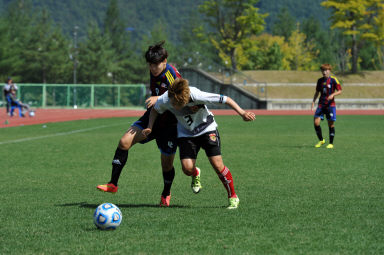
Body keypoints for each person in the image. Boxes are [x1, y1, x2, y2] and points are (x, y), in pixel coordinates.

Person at [97, 41, 201, 207]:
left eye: (156, 64)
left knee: (166, 164)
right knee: (124, 142)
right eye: (150, 65)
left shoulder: (171, 74)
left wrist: (159, 99)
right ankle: (113, 184)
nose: (153, 68)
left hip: (170, 124)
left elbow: (182, 97)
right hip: (153, 117)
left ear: (165, 61)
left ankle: (166, 194)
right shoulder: (155, 72)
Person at [142, 78, 256, 209]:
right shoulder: (166, 98)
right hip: (186, 134)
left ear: (185, 100)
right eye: (172, 103)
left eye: (176, 104)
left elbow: (226, 99)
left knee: (218, 166)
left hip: (207, 130)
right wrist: (150, 126)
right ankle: (195, 173)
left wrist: (242, 113)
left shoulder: (197, 95)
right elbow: (155, 110)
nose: (172, 106)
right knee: (187, 169)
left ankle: (233, 196)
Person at [311, 64, 342, 149]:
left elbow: (340, 91)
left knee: (330, 124)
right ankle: (321, 140)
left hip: (330, 105)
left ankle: (331, 143)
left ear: (329, 71)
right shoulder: (319, 81)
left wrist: (333, 94)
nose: (324, 72)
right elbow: (317, 92)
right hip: (321, 104)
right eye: (323, 71)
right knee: (316, 122)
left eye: (326, 70)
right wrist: (313, 101)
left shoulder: (333, 80)